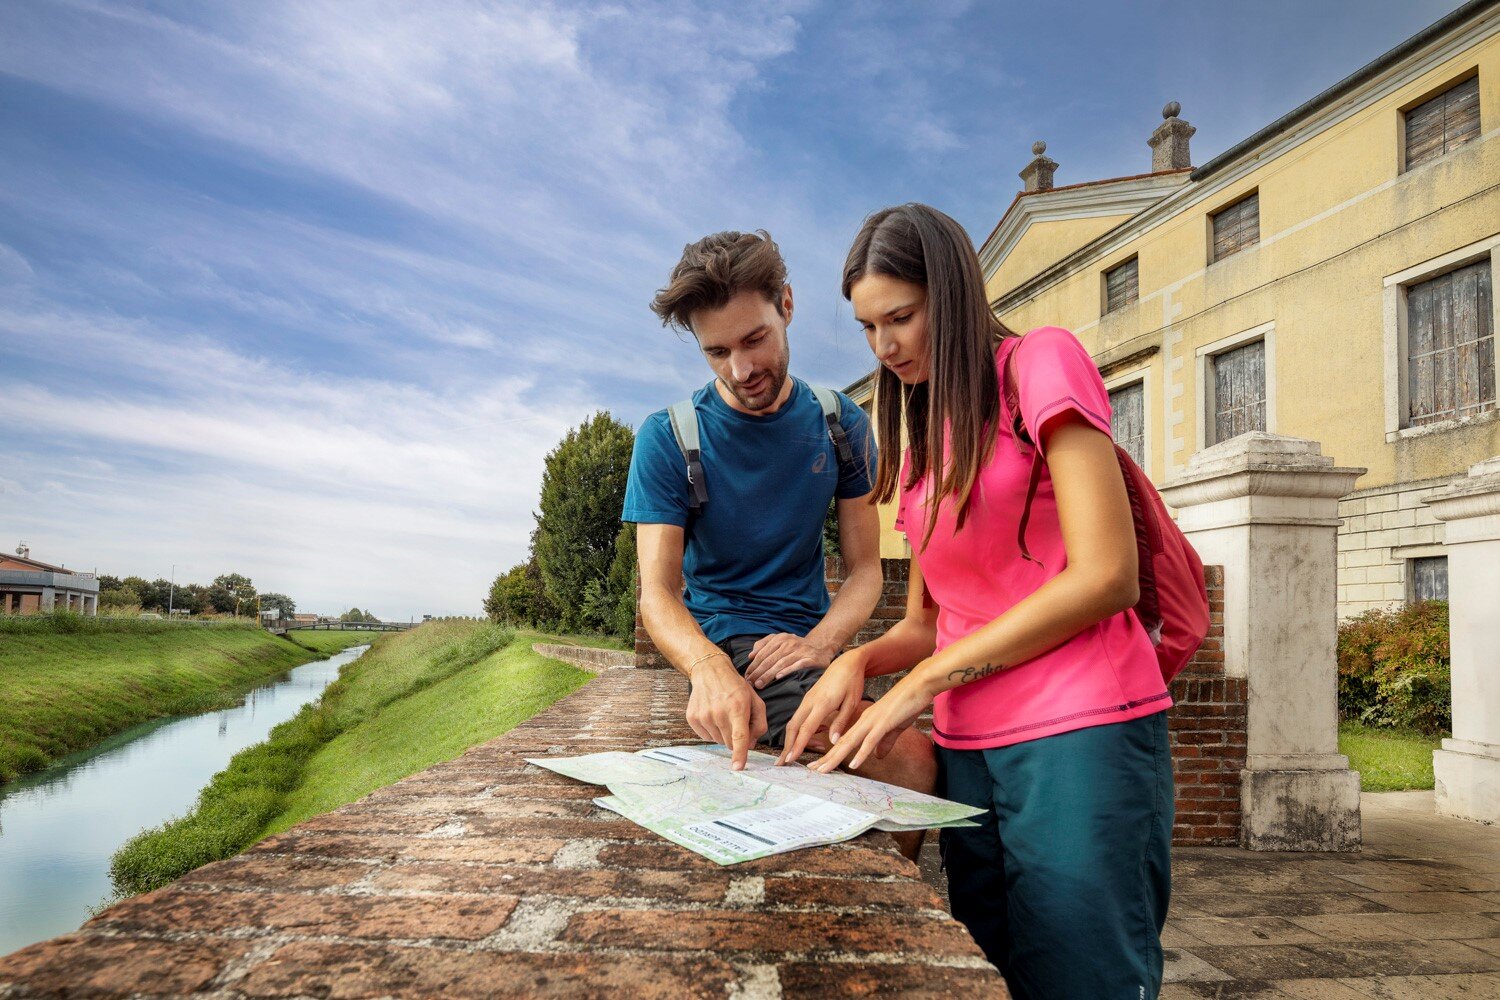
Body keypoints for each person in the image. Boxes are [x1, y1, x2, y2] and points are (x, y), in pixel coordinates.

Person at [785, 204, 1173, 999]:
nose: (885, 347)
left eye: (901, 317)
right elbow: (930, 621)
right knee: (986, 971)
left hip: (1081, 729)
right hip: (969, 753)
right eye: (866, 327)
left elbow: (1107, 575)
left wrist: (923, 686)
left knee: (1084, 978)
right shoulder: (926, 427)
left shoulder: (1040, 363)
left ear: (953, 294)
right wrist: (857, 658)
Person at [624, 229, 937, 860]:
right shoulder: (666, 438)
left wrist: (819, 645)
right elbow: (657, 592)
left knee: (907, 761)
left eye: (754, 339)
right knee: (909, 761)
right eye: (717, 351)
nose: (740, 369)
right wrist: (709, 670)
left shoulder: (840, 425)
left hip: (807, 647)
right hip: (726, 651)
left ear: (786, 306)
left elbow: (866, 571)